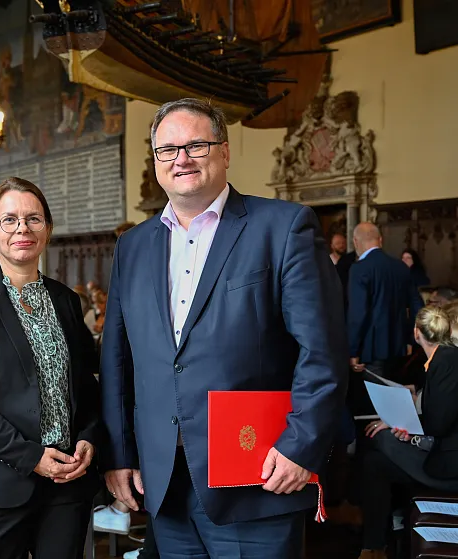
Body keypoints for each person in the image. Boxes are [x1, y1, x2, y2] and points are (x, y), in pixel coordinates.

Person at [100, 98, 348, 558]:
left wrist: (301, 447)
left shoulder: (283, 227)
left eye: (196, 144)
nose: (182, 159)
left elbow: (322, 349)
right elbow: (117, 361)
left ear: (225, 151)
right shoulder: (132, 247)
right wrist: (119, 455)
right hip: (164, 483)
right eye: (167, 149)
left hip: (257, 477)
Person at [0, 178, 102, 559]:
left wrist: (90, 437)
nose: (22, 229)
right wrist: (30, 457)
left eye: (34, 219)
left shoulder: (65, 300)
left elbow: (86, 387)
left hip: (66, 479)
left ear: (48, 228)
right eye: (9, 220)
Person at [358, 305, 458, 559]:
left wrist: (400, 424)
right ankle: (381, 538)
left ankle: (375, 543)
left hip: (449, 464)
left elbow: (439, 424)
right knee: (374, 459)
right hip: (442, 451)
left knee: (377, 438)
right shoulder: (442, 359)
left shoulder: (446, 361)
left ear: (416, 333)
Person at [348, 223, 420, 380]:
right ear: (380, 240)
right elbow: (417, 306)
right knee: (395, 396)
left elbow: (358, 314)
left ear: (355, 241)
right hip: (400, 347)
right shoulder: (400, 266)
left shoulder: (359, 268)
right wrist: (410, 339)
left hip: (370, 351)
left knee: (373, 402)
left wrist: (353, 350)